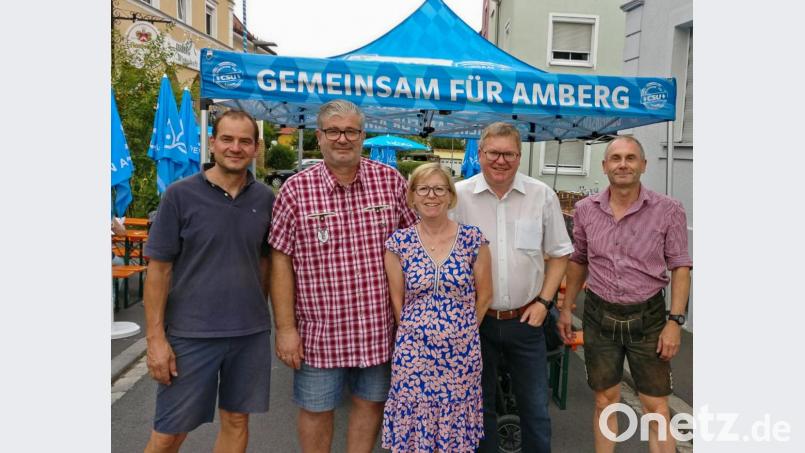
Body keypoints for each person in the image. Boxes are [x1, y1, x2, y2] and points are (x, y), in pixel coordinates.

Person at [269, 99, 418, 453]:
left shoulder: (390, 182)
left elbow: (416, 247)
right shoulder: (295, 190)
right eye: (334, 131)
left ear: (363, 136)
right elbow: (280, 262)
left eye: (351, 131)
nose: (342, 139)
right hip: (320, 331)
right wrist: (286, 329)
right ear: (319, 137)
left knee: (370, 405)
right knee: (316, 410)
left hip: (379, 328)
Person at [142, 110, 275, 453]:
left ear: (256, 148)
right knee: (170, 431)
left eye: (245, 141)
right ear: (212, 143)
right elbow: (158, 271)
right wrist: (155, 339)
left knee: (236, 421)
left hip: (248, 334)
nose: (236, 147)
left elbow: (265, 263)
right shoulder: (179, 195)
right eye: (227, 139)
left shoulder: (265, 199)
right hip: (191, 333)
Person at [558, 135, 692, 453]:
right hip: (599, 314)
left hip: (649, 317)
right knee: (605, 401)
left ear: (643, 165)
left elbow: (681, 267)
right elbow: (578, 260)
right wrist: (566, 307)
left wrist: (675, 321)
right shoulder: (585, 210)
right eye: (615, 158)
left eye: (630, 158)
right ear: (604, 166)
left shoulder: (669, 210)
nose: (623, 164)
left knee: (655, 406)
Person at [452, 122, 573, 453]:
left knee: (535, 409)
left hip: (526, 319)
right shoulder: (458, 196)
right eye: (493, 153)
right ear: (480, 154)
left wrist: (544, 303)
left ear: (519, 156)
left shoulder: (541, 195)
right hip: (477, 321)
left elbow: (561, 255)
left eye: (508, 153)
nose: (500, 160)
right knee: (480, 407)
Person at [381, 163, 492, 452]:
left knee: (454, 430)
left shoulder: (473, 239)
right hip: (414, 355)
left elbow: (486, 295)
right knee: (414, 430)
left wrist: (465, 331)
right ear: (412, 196)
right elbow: (397, 299)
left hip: (461, 355)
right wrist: (413, 334)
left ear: (450, 196)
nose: (432, 196)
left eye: (439, 188)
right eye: (424, 189)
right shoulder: (399, 244)